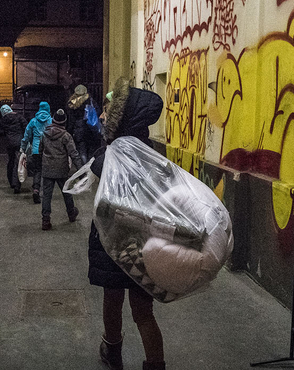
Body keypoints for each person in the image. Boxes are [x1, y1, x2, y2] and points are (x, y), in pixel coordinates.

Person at [88, 78, 166, 370]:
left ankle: (112, 352)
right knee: (144, 311)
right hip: (145, 242)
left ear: (123, 119)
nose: (104, 115)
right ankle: (156, 364)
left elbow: (96, 170)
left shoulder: (116, 153)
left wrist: (105, 148)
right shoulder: (150, 153)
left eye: (109, 110)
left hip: (113, 240)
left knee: (112, 300)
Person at [38, 109, 83, 230]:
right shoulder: (66, 136)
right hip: (61, 169)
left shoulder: (44, 134)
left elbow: (39, 150)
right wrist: (81, 171)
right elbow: (74, 154)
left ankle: (45, 221)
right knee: (66, 192)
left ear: (53, 120)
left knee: (46, 195)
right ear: (64, 122)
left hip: (47, 168)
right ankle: (71, 213)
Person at [21, 101, 52, 204]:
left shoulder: (33, 121)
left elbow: (27, 136)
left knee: (37, 171)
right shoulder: (51, 121)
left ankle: (36, 190)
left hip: (36, 150)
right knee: (47, 172)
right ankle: (46, 192)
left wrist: (23, 148)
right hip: (48, 150)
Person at [66, 84, 102, 163]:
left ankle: (83, 170)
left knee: (82, 151)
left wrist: (69, 132)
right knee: (91, 151)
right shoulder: (90, 101)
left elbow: (71, 120)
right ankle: (90, 168)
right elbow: (98, 112)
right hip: (91, 129)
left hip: (78, 130)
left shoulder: (72, 103)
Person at [0, 104, 28, 193]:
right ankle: (17, 184)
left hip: (9, 143)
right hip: (19, 142)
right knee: (18, 162)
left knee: (11, 161)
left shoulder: (3, 120)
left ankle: (11, 181)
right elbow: (26, 127)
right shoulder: (19, 117)